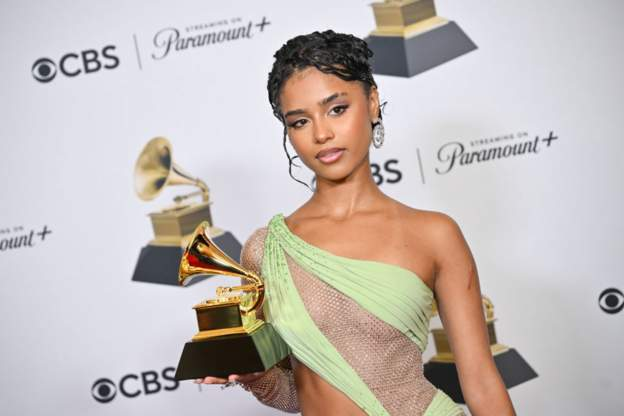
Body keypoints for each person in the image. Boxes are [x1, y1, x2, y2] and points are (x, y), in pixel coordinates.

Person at [195, 30, 516, 416]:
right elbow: (298, 393)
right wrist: (255, 376)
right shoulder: (267, 250)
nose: (322, 133)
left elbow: (481, 382)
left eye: (337, 109)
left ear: (373, 103)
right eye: (300, 121)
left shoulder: (435, 234)